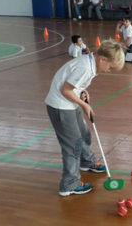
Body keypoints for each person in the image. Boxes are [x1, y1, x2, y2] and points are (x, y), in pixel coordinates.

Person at [45, 39, 124, 197]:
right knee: (72, 146)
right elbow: (66, 90)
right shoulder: (85, 68)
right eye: (110, 67)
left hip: (68, 104)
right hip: (60, 106)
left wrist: (82, 91)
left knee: (84, 134)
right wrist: (84, 105)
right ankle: (69, 184)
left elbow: (73, 85)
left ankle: (87, 162)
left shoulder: (91, 62)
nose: (109, 70)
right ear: (102, 59)